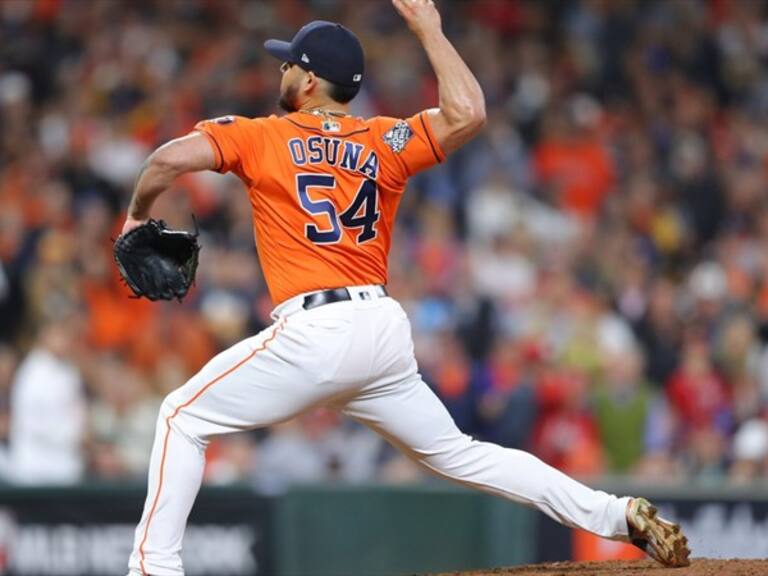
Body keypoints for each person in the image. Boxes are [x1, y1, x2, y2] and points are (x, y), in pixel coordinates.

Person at [122, 1, 689, 574]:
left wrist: (136, 216)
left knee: (181, 417)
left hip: (316, 330)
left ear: (311, 79)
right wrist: (429, 29)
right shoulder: (383, 140)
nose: (282, 72)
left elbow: (167, 161)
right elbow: (468, 111)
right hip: (380, 331)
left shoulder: (260, 137)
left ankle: (152, 568)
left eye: (289, 64)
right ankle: (616, 515)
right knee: (461, 454)